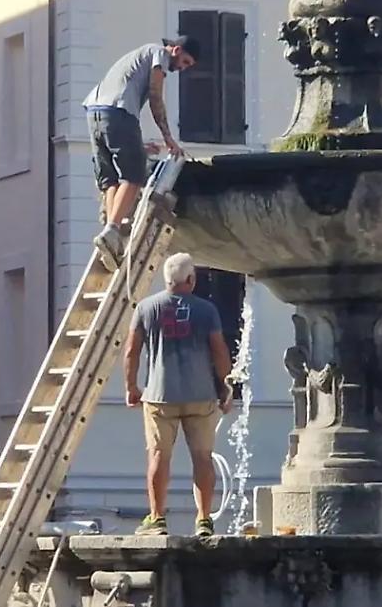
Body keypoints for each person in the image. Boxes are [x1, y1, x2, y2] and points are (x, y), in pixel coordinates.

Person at [123, 252, 234, 537]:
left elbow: (131, 351)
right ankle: (204, 520)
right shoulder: (206, 310)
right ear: (191, 280)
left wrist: (132, 387)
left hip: (160, 395)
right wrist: (226, 386)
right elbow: (219, 350)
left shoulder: (146, 308)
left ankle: (157, 518)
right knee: (203, 457)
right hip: (201, 395)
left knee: (159, 455)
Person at [83, 37, 199, 271]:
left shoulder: (140, 54)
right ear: (176, 50)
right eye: (185, 61)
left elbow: (113, 127)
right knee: (134, 176)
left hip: (95, 112)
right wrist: (169, 139)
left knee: (110, 179)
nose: (182, 68)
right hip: (118, 111)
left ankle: (109, 227)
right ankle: (113, 231)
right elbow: (156, 97)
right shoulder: (160, 55)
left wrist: (136, 146)